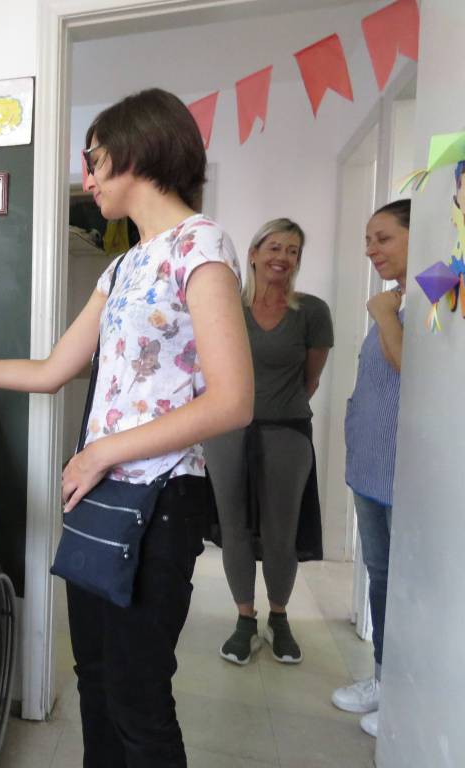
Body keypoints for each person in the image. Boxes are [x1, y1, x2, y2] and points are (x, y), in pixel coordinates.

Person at [0, 89, 253, 767]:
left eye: (93, 160)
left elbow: (233, 401)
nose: (87, 178)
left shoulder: (201, 244)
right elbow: (50, 370)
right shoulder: (122, 267)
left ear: (137, 151)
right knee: (94, 679)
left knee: (137, 697)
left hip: (160, 499)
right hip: (100, 496)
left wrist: (100, 454)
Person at [205, 219, 333, 666]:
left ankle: (279, 618)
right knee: (234, 528)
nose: (283, 257)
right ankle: (245, 620)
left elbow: (310, 380)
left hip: (287, 432)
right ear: (254, 253)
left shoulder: (312, 311)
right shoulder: (227, 308)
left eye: (293, 250)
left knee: (282, 532)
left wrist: (274, 407)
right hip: (226, 432)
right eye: (275, 247)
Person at [331, 199, 410, 738]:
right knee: (380, 577)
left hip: (407, 477)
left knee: (409, 585)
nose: (371, 250)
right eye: (367, 240)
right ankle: (384, 678)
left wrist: (383, 315)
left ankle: (408, 696)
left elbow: (416, 372)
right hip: (371, 470)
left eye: (383, 238)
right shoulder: (396, 298)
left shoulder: (439, 297)